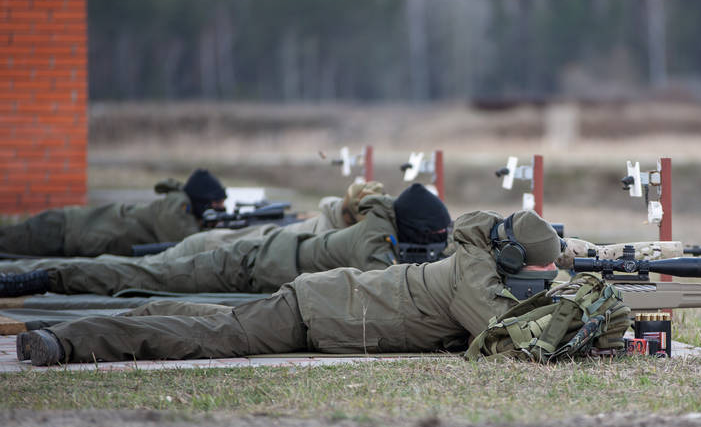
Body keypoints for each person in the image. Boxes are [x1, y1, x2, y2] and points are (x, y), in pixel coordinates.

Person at [15, 209, 564, 365]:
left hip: (324, 306)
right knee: (200, 339)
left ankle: (80, 325)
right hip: (317, 311)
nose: (547, 276)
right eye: (543, 269)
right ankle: (66, 341)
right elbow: (509, 339)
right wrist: (576, 307)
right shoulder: (474, 277)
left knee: (205, 321)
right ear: (512, 258)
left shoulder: (478, 259)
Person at [0, 183, 445, 298]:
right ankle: (39, 276)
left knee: (145, 273)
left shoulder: (381, 226)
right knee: (144, 275)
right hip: (244, 263)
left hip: (257, 260)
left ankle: (40, 274)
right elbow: (389, 285)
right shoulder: (373, 239)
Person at [0, 180, 385, 275]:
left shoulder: (325, 228)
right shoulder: (176, 211)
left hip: (77, 234)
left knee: (110, 270)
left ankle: (22, 273)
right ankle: (18, 274)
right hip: (63, 229)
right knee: (109, 272)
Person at [0, 169, 227, 258]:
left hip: (68, 233)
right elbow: (186, 244)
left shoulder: (183, 209)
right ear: (203, 201)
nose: (221, 209)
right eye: (217, 203)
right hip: (62, 229)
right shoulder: (176, 206)